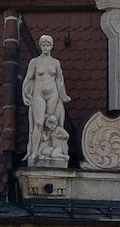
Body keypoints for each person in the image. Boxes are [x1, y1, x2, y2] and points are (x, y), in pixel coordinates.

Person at [22, 35, 71, 167]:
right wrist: (25, 93)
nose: (45, 47)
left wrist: (63, 95)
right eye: (43, 45)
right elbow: (28, 78)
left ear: (52, 46)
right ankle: (34, 153)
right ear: (40, 46)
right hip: (39, 94)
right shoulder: (35, 62)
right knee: (38, 123)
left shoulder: (56, 63)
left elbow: (59, 80)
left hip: (53, 94)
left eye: (48, 44)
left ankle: (48, 152)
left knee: (51, 123)